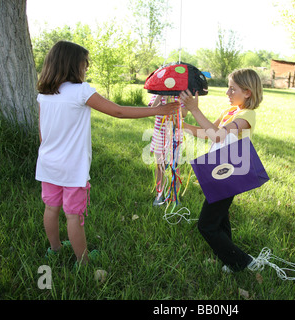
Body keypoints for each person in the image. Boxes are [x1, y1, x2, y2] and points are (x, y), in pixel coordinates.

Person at [36, 41, 179, 266]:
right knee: (73, 215)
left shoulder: (44, 94)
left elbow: (42, 132)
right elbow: (118, 111)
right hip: (72, 167)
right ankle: (82, 261)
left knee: (51, 208)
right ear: (74, 65)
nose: (86, 68)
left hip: (47, 163)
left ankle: (54, 249)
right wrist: (158, 110)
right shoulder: (81, 91)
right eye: (85, 64)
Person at [179, 68, 263, 272]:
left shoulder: (247, 115)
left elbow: (218, 136)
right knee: (220, 218)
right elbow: (207, 133)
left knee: (206, 225)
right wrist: (182, 124)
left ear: (247, 92)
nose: (227, 93)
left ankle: (242, 262)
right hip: (220, 171)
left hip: (231, 175)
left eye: (232, 89)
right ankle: (230, 258)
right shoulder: (229, 112)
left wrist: (195, 109)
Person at [148, 94, 187, 206]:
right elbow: (152, 109)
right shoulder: (157, 93)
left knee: (175, 166)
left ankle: (174, 196)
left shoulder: (181, 94)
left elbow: (184, 114)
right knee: (160, 165)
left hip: (175, 135)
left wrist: (181, 106)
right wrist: (160, 94)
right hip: (160, 135)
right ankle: (159, 194)